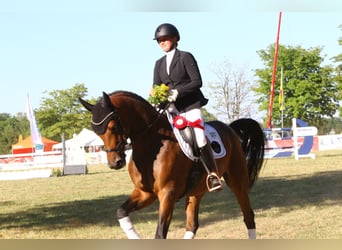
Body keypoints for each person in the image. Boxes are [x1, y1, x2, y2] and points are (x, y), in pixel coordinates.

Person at [152, 23, 222, 192]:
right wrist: (156, 99)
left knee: (200, 138)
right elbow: (156, 86)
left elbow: (197, 81)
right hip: (171, 110)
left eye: (165, 39)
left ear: (175, 39)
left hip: (190, 106)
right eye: (159, 40)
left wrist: (178, 92)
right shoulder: (158, 63)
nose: (162, 42)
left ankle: (213, 175)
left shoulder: (185, 57)